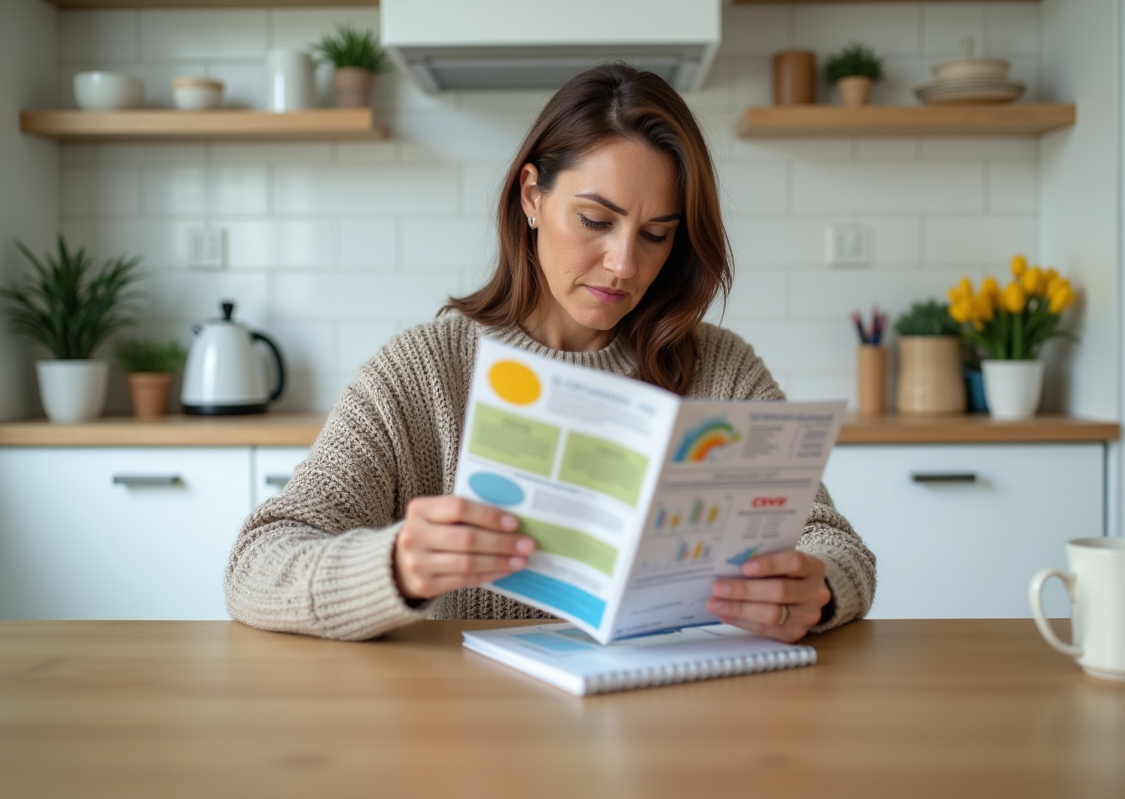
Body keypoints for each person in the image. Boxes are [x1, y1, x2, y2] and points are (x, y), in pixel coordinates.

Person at [226, 63, 875, 643]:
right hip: (470, 738)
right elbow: (259, 562)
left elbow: (834, 543)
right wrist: (395, 566)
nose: (623, 264)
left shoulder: (720, 368)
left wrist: (814, 593)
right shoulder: (423, 372)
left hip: (669, 732)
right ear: (532, 197)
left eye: (656, 235)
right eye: (596, 221)